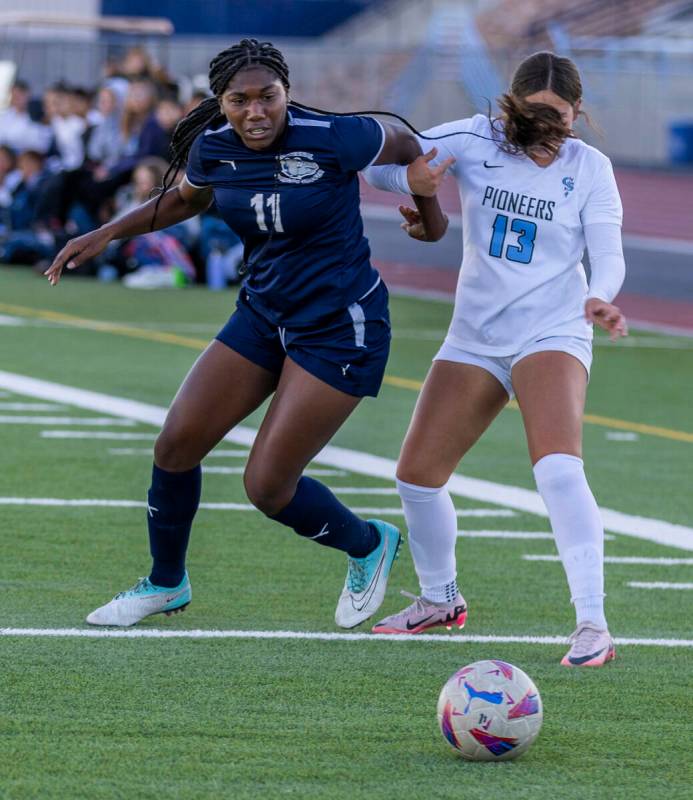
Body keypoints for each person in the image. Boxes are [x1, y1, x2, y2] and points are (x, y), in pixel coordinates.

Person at [44, 38, 448, 629]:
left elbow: (414, 150)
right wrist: (106, 233)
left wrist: (430, 220)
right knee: (175, 446)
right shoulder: (212, 148)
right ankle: (166, 583)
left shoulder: (339, 136)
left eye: (269, 98)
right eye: (239, 101)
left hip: (339, 327)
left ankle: (367, 544)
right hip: (262, 314)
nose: (256, 112)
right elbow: (185, 199)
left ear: (287, 93)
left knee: (267, 486)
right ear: (220, 101)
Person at [363, 51, 626, 667]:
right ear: (511, 104)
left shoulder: (590, 168)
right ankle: (440, 599)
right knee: (416, 476)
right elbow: (382, 167)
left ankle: (592, 625)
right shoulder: (472, 138)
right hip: (475, 335)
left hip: (553, 330)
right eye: (535, 114)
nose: (548, 127)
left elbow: (608, 251)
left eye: (560, 116)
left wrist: (599, 297)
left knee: (557, 468)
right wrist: (413, 182)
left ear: (577, 113)